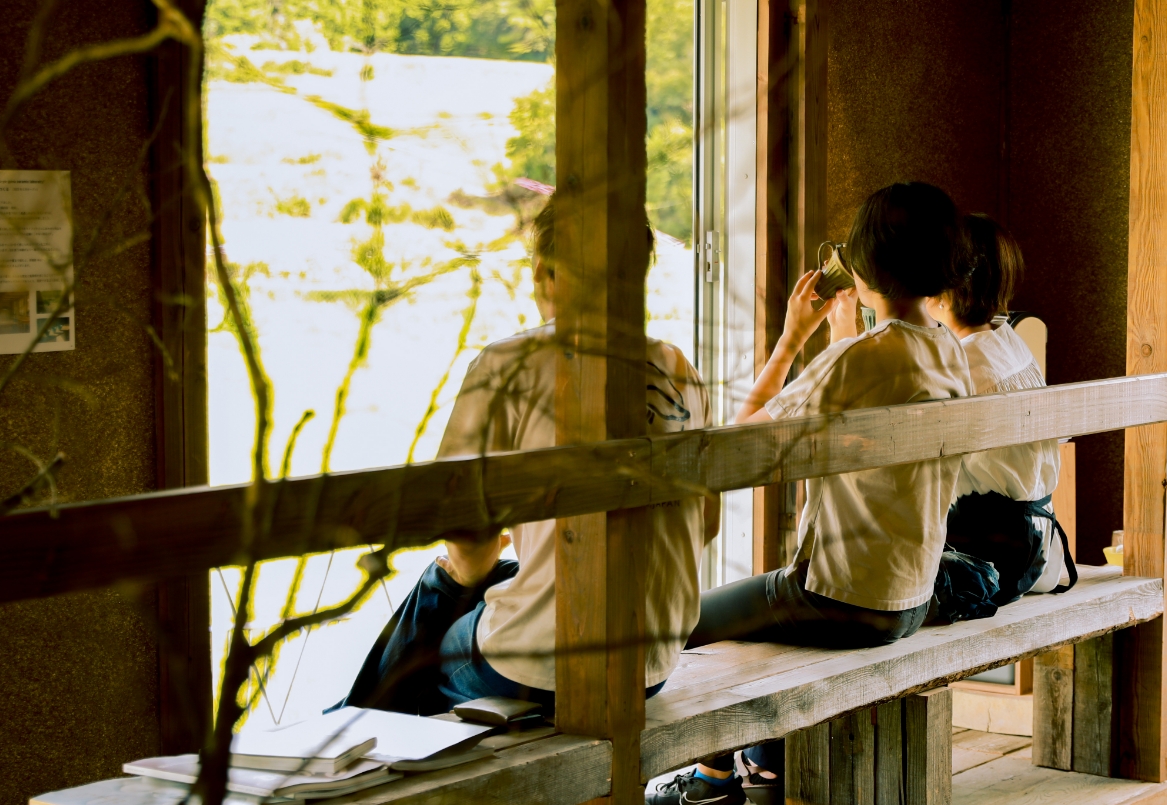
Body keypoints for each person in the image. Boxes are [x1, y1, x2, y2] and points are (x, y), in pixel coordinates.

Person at [648, 182, 972, 805]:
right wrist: (845, 340)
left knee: (679, 620)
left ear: (866, 264)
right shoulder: (948, 351)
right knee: (748, 612)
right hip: (912, 594)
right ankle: (751, 766)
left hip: (841, 598)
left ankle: (711, 783)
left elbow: (730, 447)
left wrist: (793, 339)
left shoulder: (860, 359)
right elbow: (860, 382)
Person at [335, 200, 717, 716]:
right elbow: (707, 523)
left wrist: (467, 567)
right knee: (501, 578)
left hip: (545, 668)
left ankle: (353, 728)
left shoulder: (508, 365)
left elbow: (468, 544)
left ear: (542, 271)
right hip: (651, 664)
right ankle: (352, 722)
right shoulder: (680, 368)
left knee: (439, 593)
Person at [926, 214, 1072, 610]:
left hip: (990, 563)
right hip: (1039, 549)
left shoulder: (960, 363)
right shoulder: (1009, 341)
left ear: (945, 289)